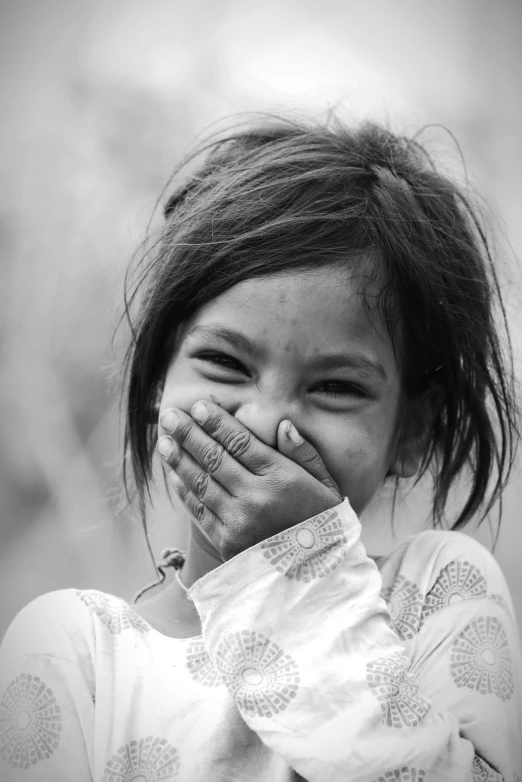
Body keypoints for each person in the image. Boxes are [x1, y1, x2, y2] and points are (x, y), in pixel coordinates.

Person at [1, 113, 521, 782]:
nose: (267, 418)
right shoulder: (75, 653)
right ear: (159, 379)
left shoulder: (439, 592)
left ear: (412, 432)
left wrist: (303, 579)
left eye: (334, 386)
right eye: (224, 362)